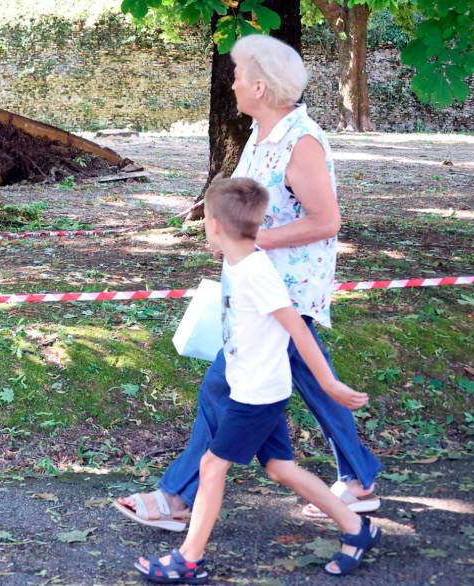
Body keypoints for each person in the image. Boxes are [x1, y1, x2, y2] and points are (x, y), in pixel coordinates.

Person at [114, 34, 382, 531]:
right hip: (257, 286)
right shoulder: (262, 135)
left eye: (237, 76)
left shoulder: (300, 142)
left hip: (282, 291)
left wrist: (254, 243)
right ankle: (360, 478)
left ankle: (177, 497)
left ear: (259, 86)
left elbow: (327, 222)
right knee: (315, 383)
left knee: (222, 387)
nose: (232, 84)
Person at [134, 178, 381, 584]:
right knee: (281, 468)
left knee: (213, 468)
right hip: (247, 386)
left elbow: (299, 331)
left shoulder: (255, 272)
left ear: (213, 225)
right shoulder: (236, 260)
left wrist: (330, 384)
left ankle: (188, 560)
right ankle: (357, 528)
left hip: (256, 396)